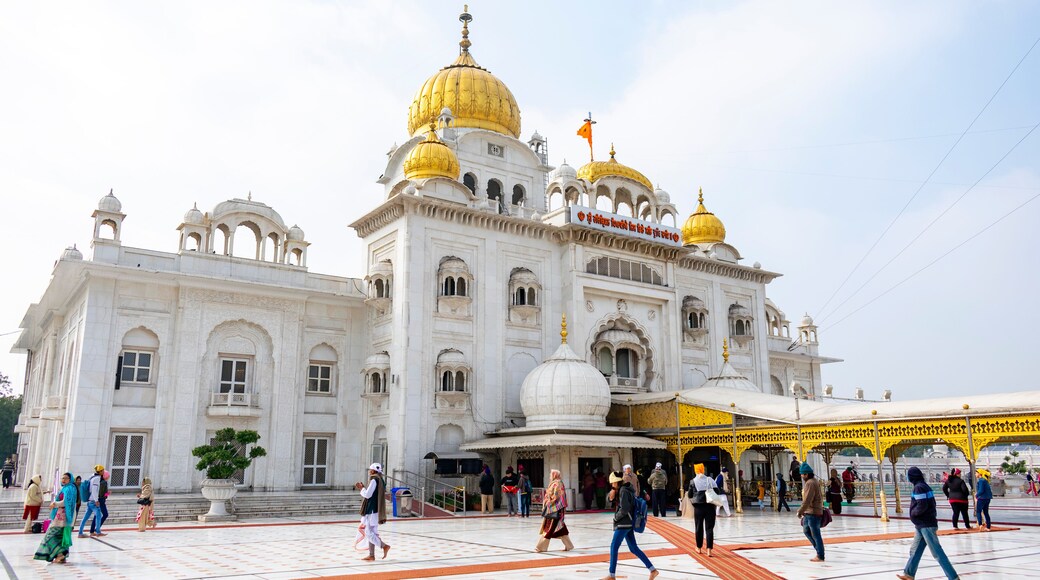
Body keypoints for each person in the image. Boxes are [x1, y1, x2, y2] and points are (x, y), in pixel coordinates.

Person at [896, 466, 960, 580]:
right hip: (921, 525)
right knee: (914, 550)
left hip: (926, 525)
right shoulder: (923, 486)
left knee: (937, 553)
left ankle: (953, 577)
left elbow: (922, 505)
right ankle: (909, 574)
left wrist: (914, 514)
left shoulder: (919, 488)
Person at [602, 471, 658, 580]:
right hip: (629, 523)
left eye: (613, 483)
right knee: (633, 548)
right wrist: (613, 490)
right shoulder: (625, 489)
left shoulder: (623, 491)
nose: (612, 485)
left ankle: (611, 575)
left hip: (623, 523)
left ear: (616, 482)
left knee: (614, 547)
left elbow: (625, 509)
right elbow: (609, 499)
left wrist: (616, 517)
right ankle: (653, 570)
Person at [34, 472, 75, 564]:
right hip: (60, 515)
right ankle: (60, 556)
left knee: (50, 535)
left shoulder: (69, 489)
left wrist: (55, 504)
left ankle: (60, 555)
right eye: (62, 478)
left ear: (70, 479)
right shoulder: (66, 488)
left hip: (62, 517)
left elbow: (66, 502)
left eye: (66, 478)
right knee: (60, 537)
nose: (63, 480)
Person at [355, 463, 390, 561]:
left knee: (368, 532)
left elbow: (367, 494)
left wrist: (362, 488)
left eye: (370, 470)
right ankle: (371, 555)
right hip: (376, 509)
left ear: (374, 471)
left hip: (371, 509)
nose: (369, 471)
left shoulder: (374, 480)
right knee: (373, 532)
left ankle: (384, 546)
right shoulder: (381, 480)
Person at [536, 469, 573, 551]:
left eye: (551, 474)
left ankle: (541, 547)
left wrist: (548, 501)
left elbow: (556, 496)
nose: (550, 476)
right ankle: (569, 545)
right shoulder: (555, 483)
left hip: (555, 508)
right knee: (560, 528)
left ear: (554, 475)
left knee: (549, 528)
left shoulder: (557, 484)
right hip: (553, 508)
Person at [795, 462, 825, 563]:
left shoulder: (810, 483)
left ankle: (820, 555)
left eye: (802, 474)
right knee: (806, 531)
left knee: (815, 534)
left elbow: (807, 499)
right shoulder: (814, 481)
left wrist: (800, 511)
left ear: (806, 474)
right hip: (810, 512)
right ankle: (818, 551)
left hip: (813, 512)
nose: (801, 476)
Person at [688, 463, 718, 557]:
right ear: (703, 470)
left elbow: (690, 495)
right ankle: (709, 550)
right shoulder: (710, 479)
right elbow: (717, 491)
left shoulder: (693, 481)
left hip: (699, 507)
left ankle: (699, 547)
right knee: (709, 528)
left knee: (698, 527)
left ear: (696, 470)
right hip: (710, 506)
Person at [78, 464, 106, 538]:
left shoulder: (92, 477)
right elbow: (94, 490)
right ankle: (98, 532)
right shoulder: (97, 478)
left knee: (85, 517)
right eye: (103, 470)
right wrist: (96, 500)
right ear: (100, 471)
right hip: (93, 501)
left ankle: (80, 532)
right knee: (99, 515)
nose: (103, 472)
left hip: (89, 500)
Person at [90, 470, 110, 535]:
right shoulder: (104, 482)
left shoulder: (98, 481)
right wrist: (107, 494)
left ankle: (92, 530)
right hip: (101, 500)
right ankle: (97, 529)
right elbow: (102, 493)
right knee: (105, 514)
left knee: (96, 515)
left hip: (96, 499)